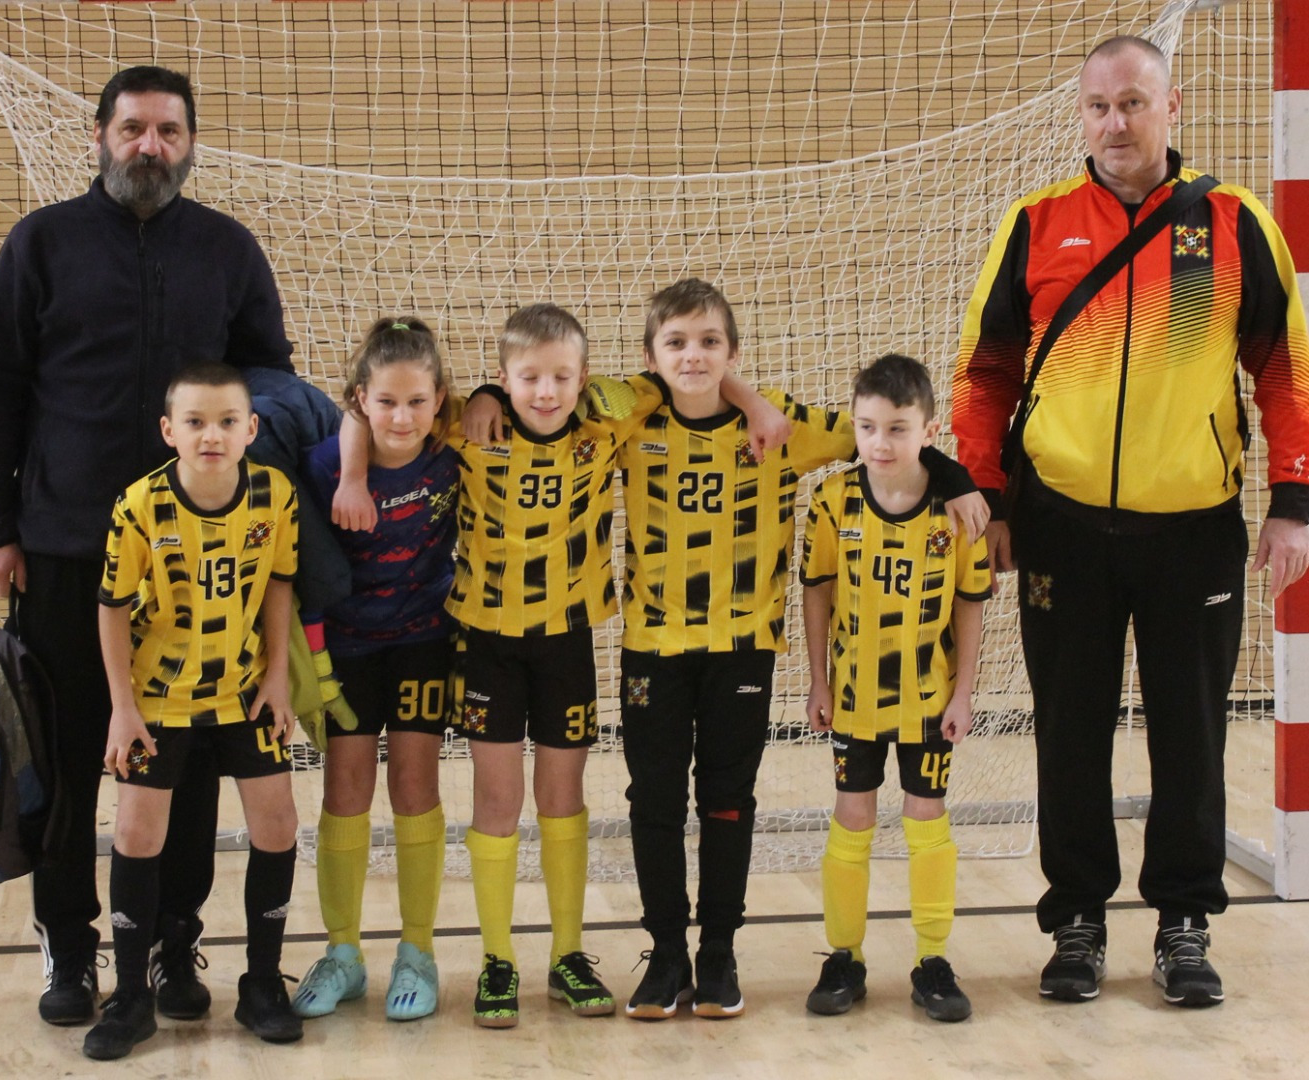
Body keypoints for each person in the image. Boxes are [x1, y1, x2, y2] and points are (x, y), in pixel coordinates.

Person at [951, 35, 1309, 1008]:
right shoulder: (1034, 224)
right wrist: (985, 493)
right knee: (1068, 731)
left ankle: (1183, 923)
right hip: (1059, 526)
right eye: (1098, 106)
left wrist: (1291, 502)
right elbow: (984, 373)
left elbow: (1284, 369)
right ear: (1081, 115)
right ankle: (1075, 919)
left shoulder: (1231, 223)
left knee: (1190, 734)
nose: (1114, 123)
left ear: (1171, 106)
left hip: (1193, 528)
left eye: (1133, 103)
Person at [336, 303, 786, 1028]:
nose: (545, 392)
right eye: (527, 379)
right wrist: (362, 469)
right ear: (503, 376)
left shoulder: (610, 417)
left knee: (562, 798)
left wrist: (755, 400)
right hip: (486, 641)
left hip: (567, 641)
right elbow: (367, 407)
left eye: (561, 378)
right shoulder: (468, 423)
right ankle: (497, 958)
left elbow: (694, 378)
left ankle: (568, 955)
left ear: (584, 378)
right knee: (496, 800)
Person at [0, 65, 295, 1026]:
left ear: (190, 145)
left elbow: (269, 379)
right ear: (100, 136)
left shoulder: (227, 249)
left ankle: (170, 949)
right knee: (71, 762)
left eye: (169, 132)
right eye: (134, 128)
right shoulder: (41, 244)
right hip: (65, 549)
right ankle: (69, 951)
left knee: (183, 766)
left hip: (204, 566)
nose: (151, 146)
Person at [617, 279, 987, 1021]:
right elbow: (549, 404)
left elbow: (882, 439)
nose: (693, 356)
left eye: (710, 342)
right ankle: (665, 955)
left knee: (727, 801)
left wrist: (954, 477)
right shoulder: (627, 420)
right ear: (650, 357)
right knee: (653, 802)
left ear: (734, 351)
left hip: (742, 648)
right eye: (676, 343)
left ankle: (717, 954)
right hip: (652, 646)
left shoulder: (782, 425)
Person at [84, 363, 301, 1060]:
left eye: (227, 421)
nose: (212, 435)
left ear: (251, 429)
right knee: (136, 832)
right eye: (196, 422)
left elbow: (279, 585)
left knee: (278, 822)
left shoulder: (274, 495)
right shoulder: (140, 506)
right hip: (159, 696)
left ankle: (262, 984)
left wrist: (278, 677)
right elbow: (111, 608)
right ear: (168, 431)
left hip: (243, 691)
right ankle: (130, 998)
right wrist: (122, 708)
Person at [800, 354, 991, 1024]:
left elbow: (970, 603)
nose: (879, 443)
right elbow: (817, 592)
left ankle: (932, 960)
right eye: (867, 427)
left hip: (928, 698)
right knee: (852, 816)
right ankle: (844, 957)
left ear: (929, 431)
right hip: (853, 698)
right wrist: (817, 681)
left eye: (897, 429)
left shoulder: (957, 510)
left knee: (925, 817)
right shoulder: (832, 501)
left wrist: (964, 693)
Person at [292, 319, 460, 1023]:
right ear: (360, 400)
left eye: (417, 402)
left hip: (423, 640)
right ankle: (342, 953)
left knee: (415, 787)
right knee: (346, 790)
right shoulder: (322, 467)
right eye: (386, 402)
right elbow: (300, 566)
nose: (402, 417)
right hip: (347, 650)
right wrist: (315, 662)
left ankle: (417, 952)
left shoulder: (452, 455)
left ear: (439, 399)